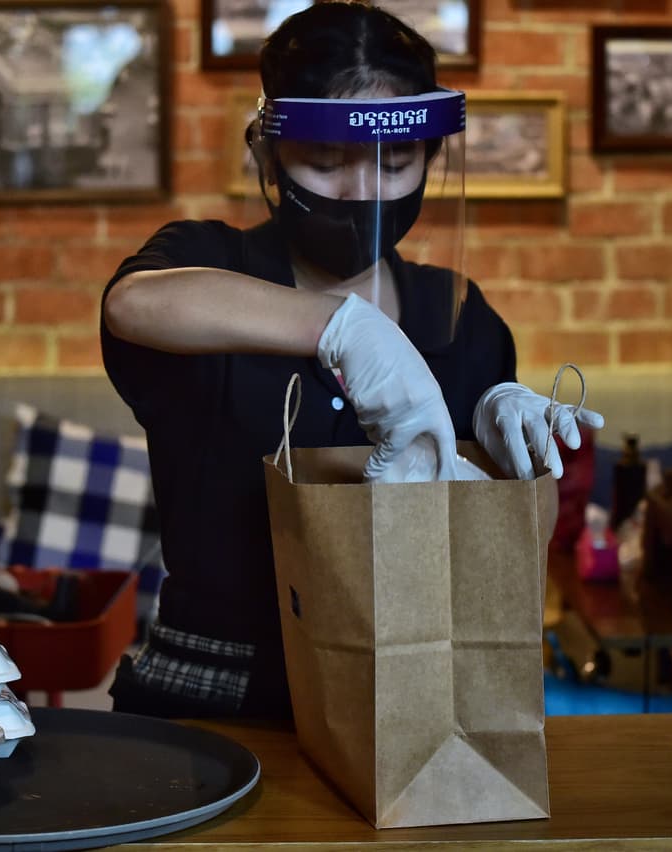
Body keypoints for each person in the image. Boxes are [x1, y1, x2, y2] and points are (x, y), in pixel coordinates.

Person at [100, 0, 602, 719]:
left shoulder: (456, 314)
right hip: (209, 693)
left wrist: (513, 449)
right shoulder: (212, 262)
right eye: (327, 162)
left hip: (401, 695)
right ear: (270, 152)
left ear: (429, 157)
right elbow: (133, 306)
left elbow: (495, 554)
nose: (363, 192)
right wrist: (341, 325)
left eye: (395, 162)